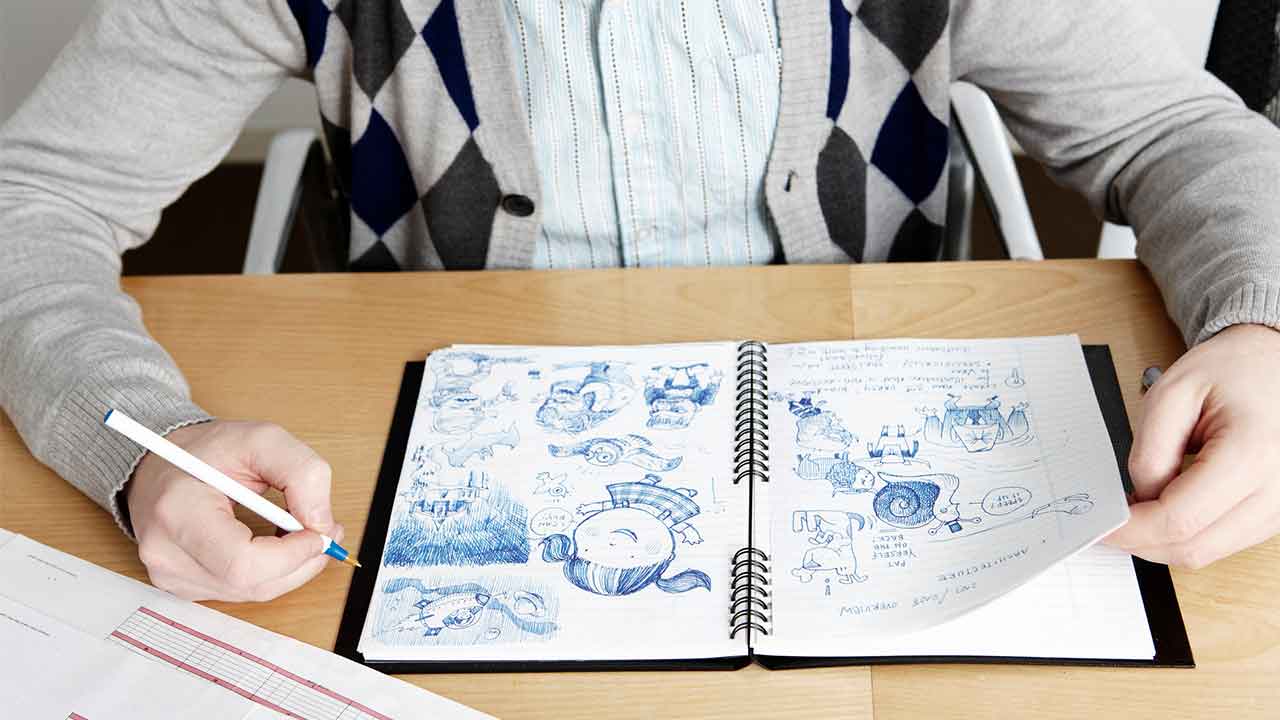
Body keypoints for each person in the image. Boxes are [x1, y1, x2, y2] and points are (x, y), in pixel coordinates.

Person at [1, 1, 1278, 603]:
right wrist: (143, 449)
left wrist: (1260, 324)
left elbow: (1172, 131)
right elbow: (33, 201)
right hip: (435, 459)